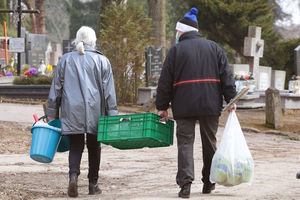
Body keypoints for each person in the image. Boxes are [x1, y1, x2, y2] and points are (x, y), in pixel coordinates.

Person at [155, 8, 237, 198]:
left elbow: (165, 81)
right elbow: (227, 76)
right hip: (210, 104)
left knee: (185, 144)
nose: (176, 35)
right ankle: (209, 182)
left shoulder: (175, 51)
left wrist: (162, 107)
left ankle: (185, 185)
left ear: (182, 31)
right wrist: (231, 99)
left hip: (184, 105)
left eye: (177, 32)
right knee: (210, 142)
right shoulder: (214, 47)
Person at [46, 26, 118, 197]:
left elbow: (56, 88)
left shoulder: (65, 60)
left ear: (77, 41)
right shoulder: (102, 61)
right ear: (93, 42)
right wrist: (112, 115)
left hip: (72, 111)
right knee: (95, 146)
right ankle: (93, 184)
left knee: (76, 145)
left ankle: (73, 177)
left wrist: (52, 112)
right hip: (96, 112)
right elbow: (109, 93)